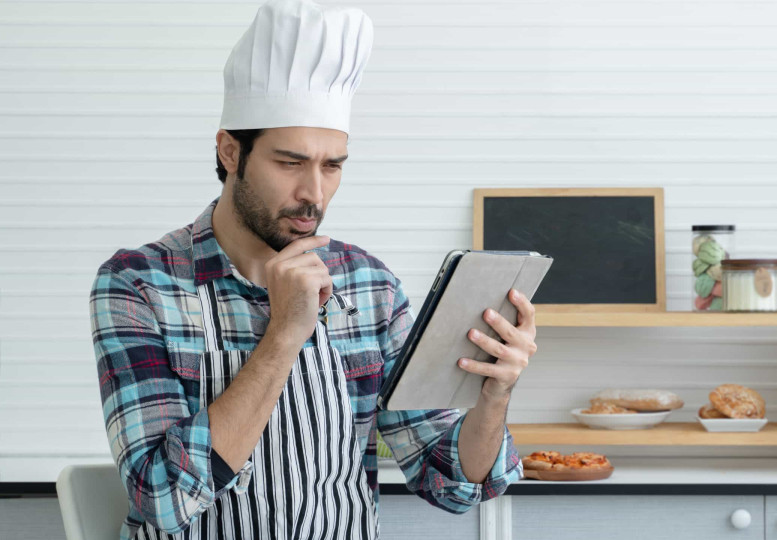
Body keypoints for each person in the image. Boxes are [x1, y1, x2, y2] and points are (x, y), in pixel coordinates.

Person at [88, 1, 537, 538]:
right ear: (231, 152)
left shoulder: (369, 285)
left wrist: (493, 396)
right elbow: (161, 496)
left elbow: (448, 482)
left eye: (332, 166)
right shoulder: (140, 284)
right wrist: (283, 334)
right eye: (290, 162)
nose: (314, 194)